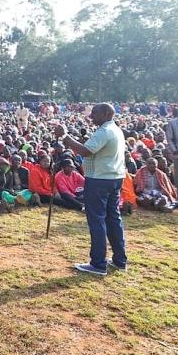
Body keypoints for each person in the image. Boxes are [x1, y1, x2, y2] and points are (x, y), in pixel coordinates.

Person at [54, 103, 128, 276]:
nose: (91, 116)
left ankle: (98, 264)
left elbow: (86, 151)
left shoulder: (105, 131)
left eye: (94, 113)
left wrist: (65, 136)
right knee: (113, 219)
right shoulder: (115, 129)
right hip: (114, 178)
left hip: (100, 180)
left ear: (106, 113)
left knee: (97, 220)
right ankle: (119, 260)